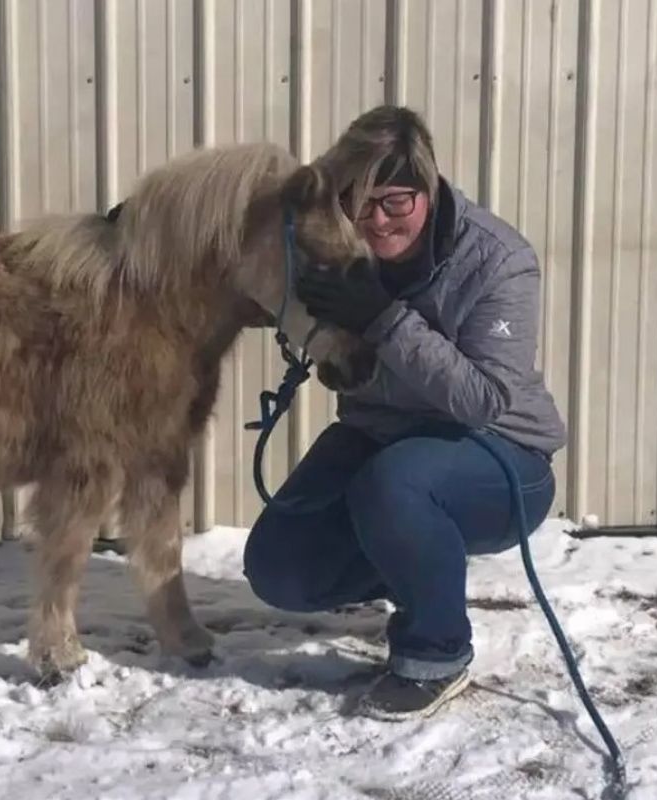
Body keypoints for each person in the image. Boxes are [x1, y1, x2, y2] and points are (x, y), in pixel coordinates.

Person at [242, 105, 567, 720]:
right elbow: (268, 292)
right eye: (358, 204)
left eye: (395, 201)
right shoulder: (337, 249)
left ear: (428, 186)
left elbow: (483, 399)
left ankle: (435, 654)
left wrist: (384, 319)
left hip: (501, 458)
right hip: (380, 438)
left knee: (395, 486)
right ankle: (417, 567)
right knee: (279, 568)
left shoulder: (499, 260)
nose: (378, 221)